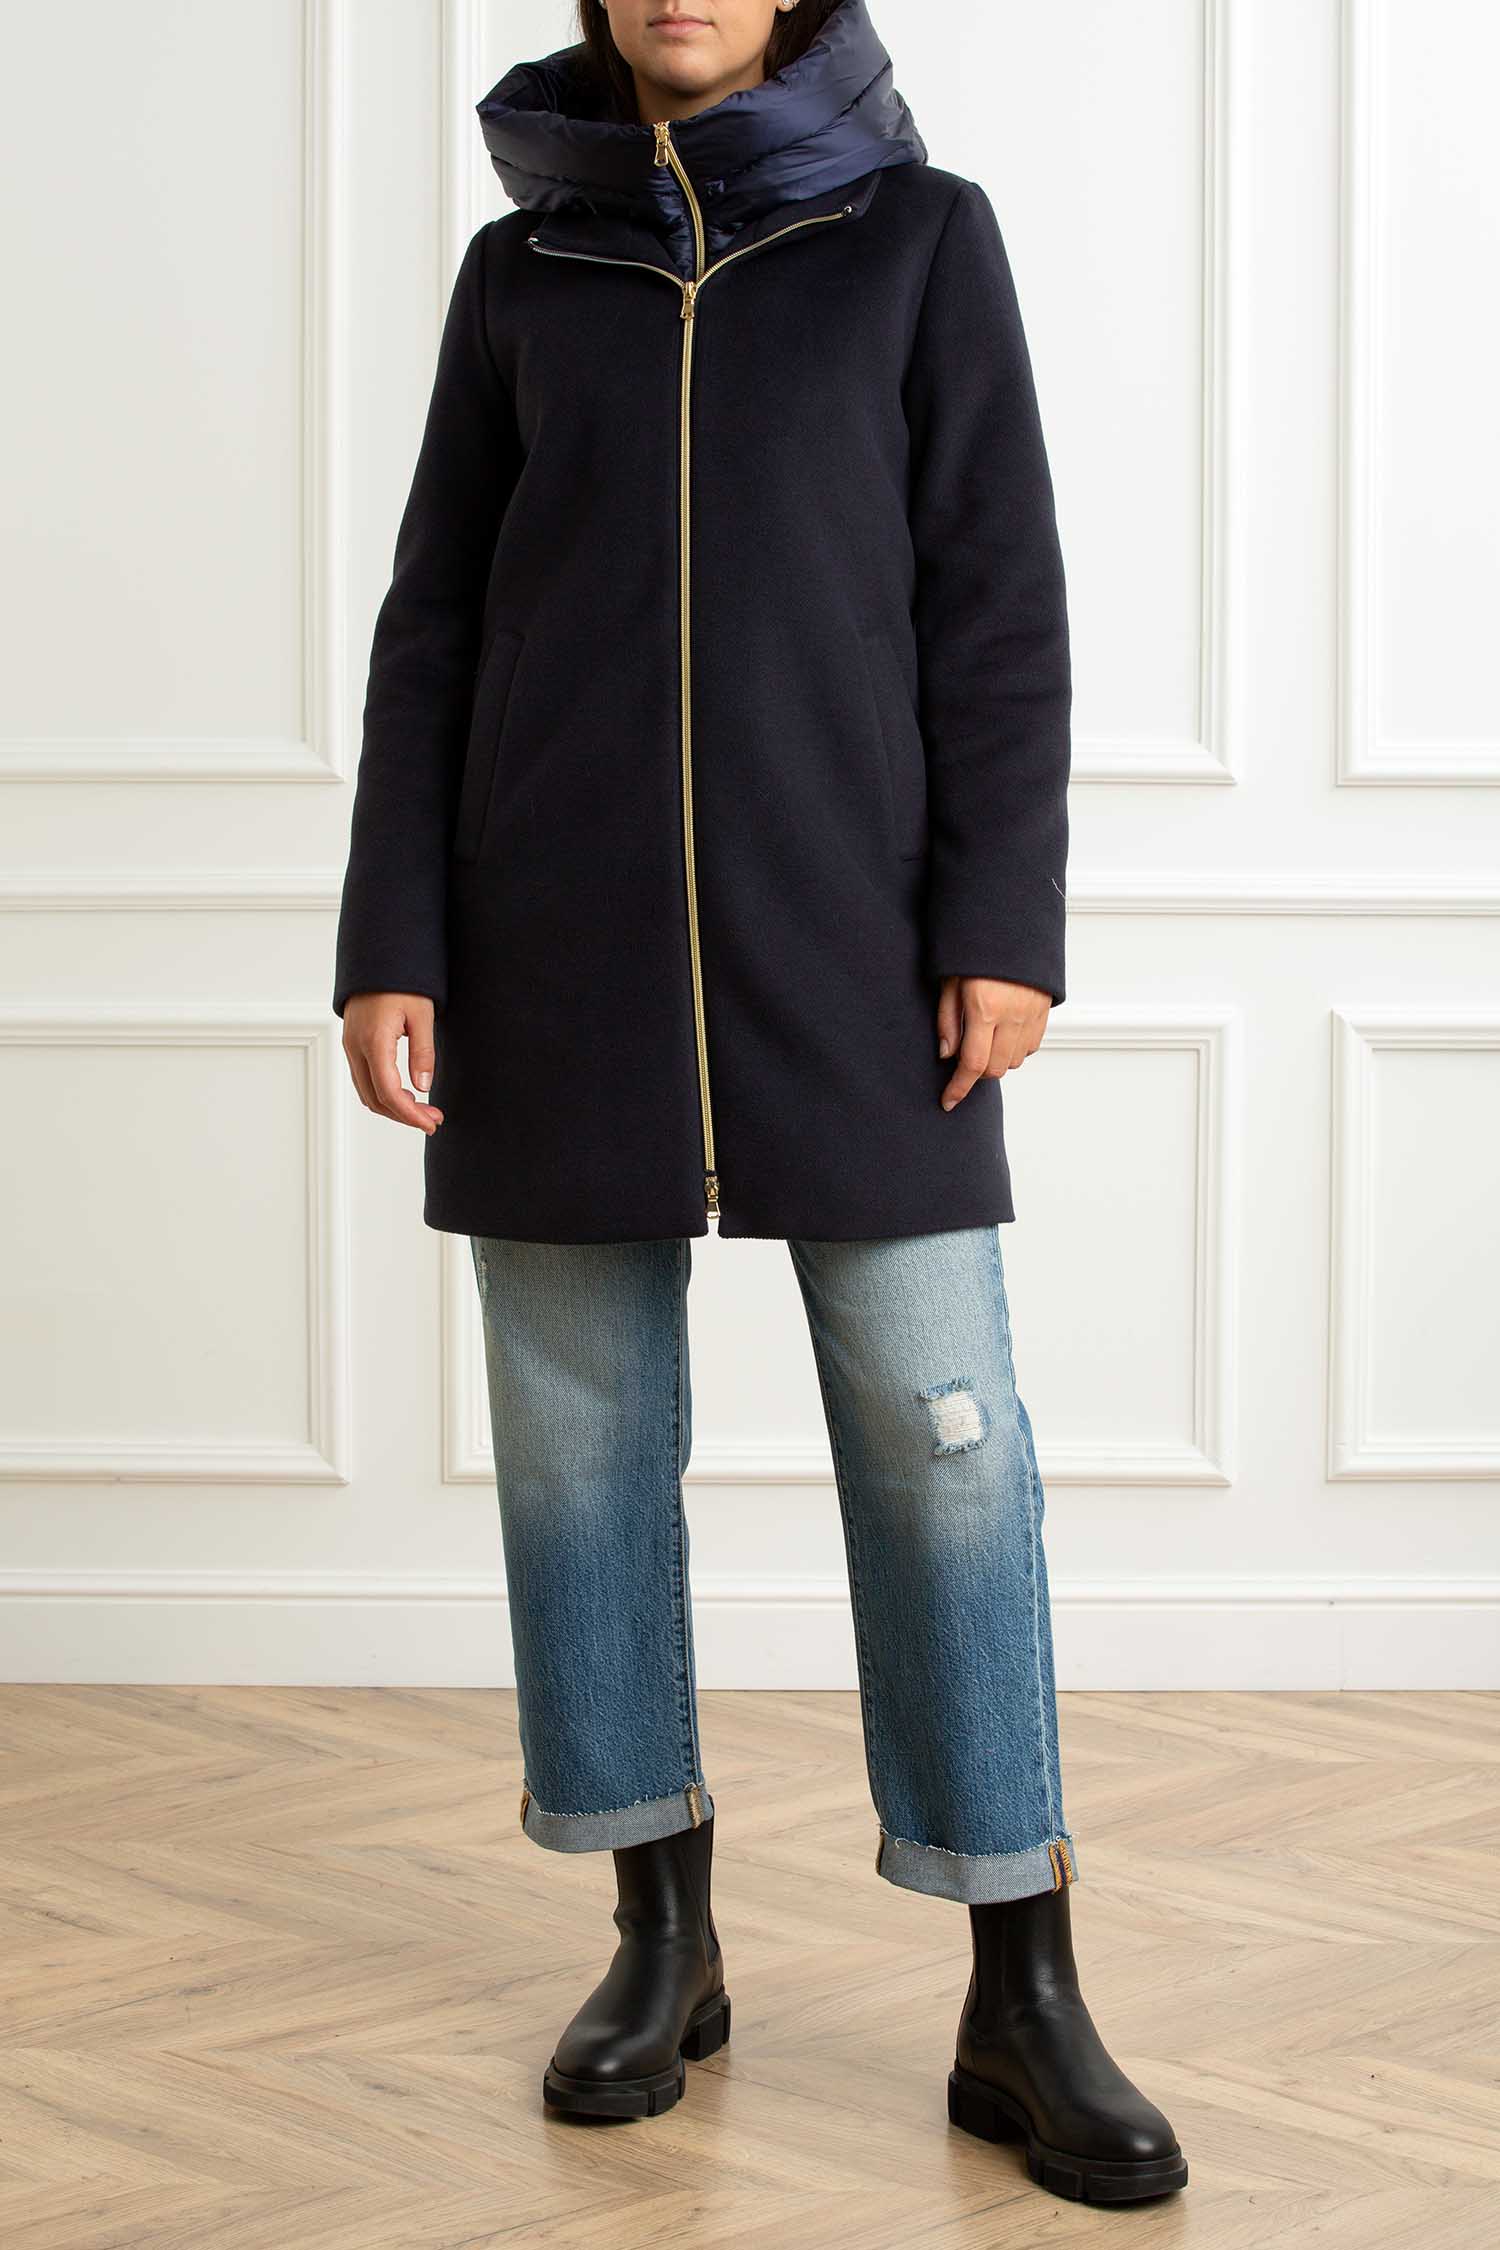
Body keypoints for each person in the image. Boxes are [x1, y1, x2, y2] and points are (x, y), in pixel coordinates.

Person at [333, 0, 1187, 2207]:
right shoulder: (524, 272)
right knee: (581, 1455)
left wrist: (1004, 918)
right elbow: (435, 622)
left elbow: (999, 603)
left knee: (944, 1443)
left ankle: (1021, 1988)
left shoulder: (922, 238)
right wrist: (392, 932)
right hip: (555, 950)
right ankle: (660, 1934)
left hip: (860, 958)